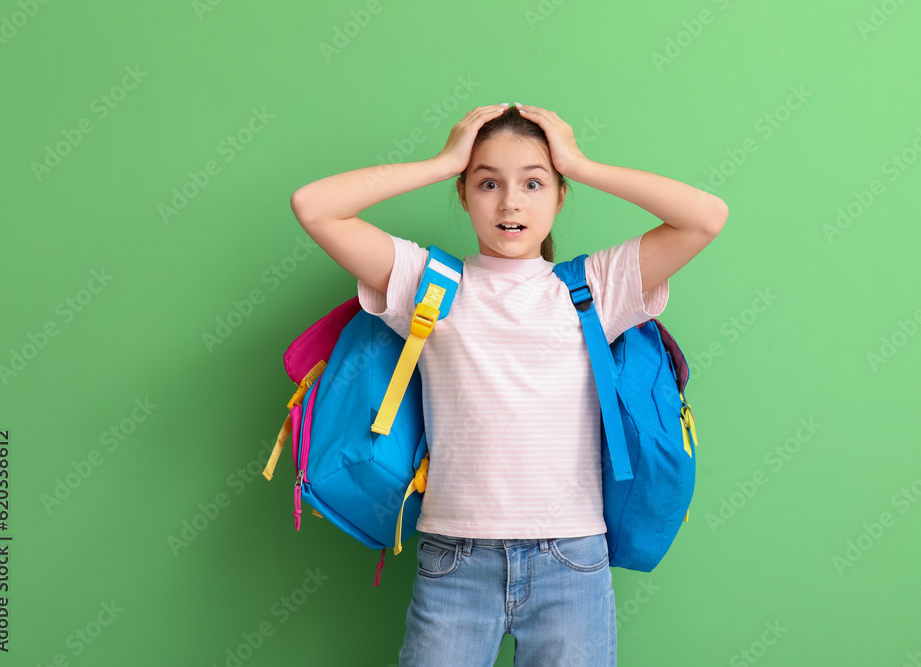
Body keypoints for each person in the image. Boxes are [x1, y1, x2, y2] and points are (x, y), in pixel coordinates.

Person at [290, 103, 727, 667]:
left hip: (572, 562)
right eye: (487, 182)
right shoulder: (428, 284)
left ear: (560, 195)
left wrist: (580, 162)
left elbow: (705, 217)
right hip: (454, 561)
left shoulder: (596, 288)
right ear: (464, 194)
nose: (510, 202)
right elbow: (315, 207)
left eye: (534, 182)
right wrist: (442, 160)